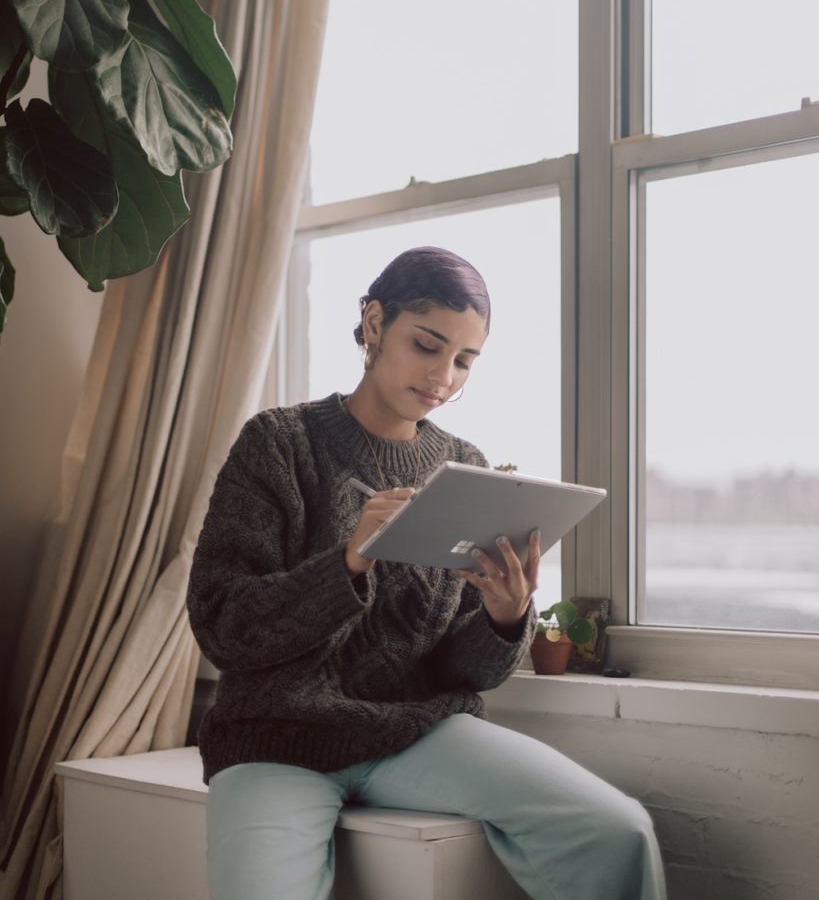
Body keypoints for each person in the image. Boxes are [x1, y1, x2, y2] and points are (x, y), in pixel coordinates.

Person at [187, 246, 667, 900]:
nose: (444, 374)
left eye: (465, 359)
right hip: (274, 741)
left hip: (413, 734)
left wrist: (503, 616)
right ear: (375, 321)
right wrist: (350, 561)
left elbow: (460, 673)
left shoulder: (462, 465)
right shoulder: (278, 443)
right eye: (427, 345)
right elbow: (222, 627)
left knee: (618, 830)